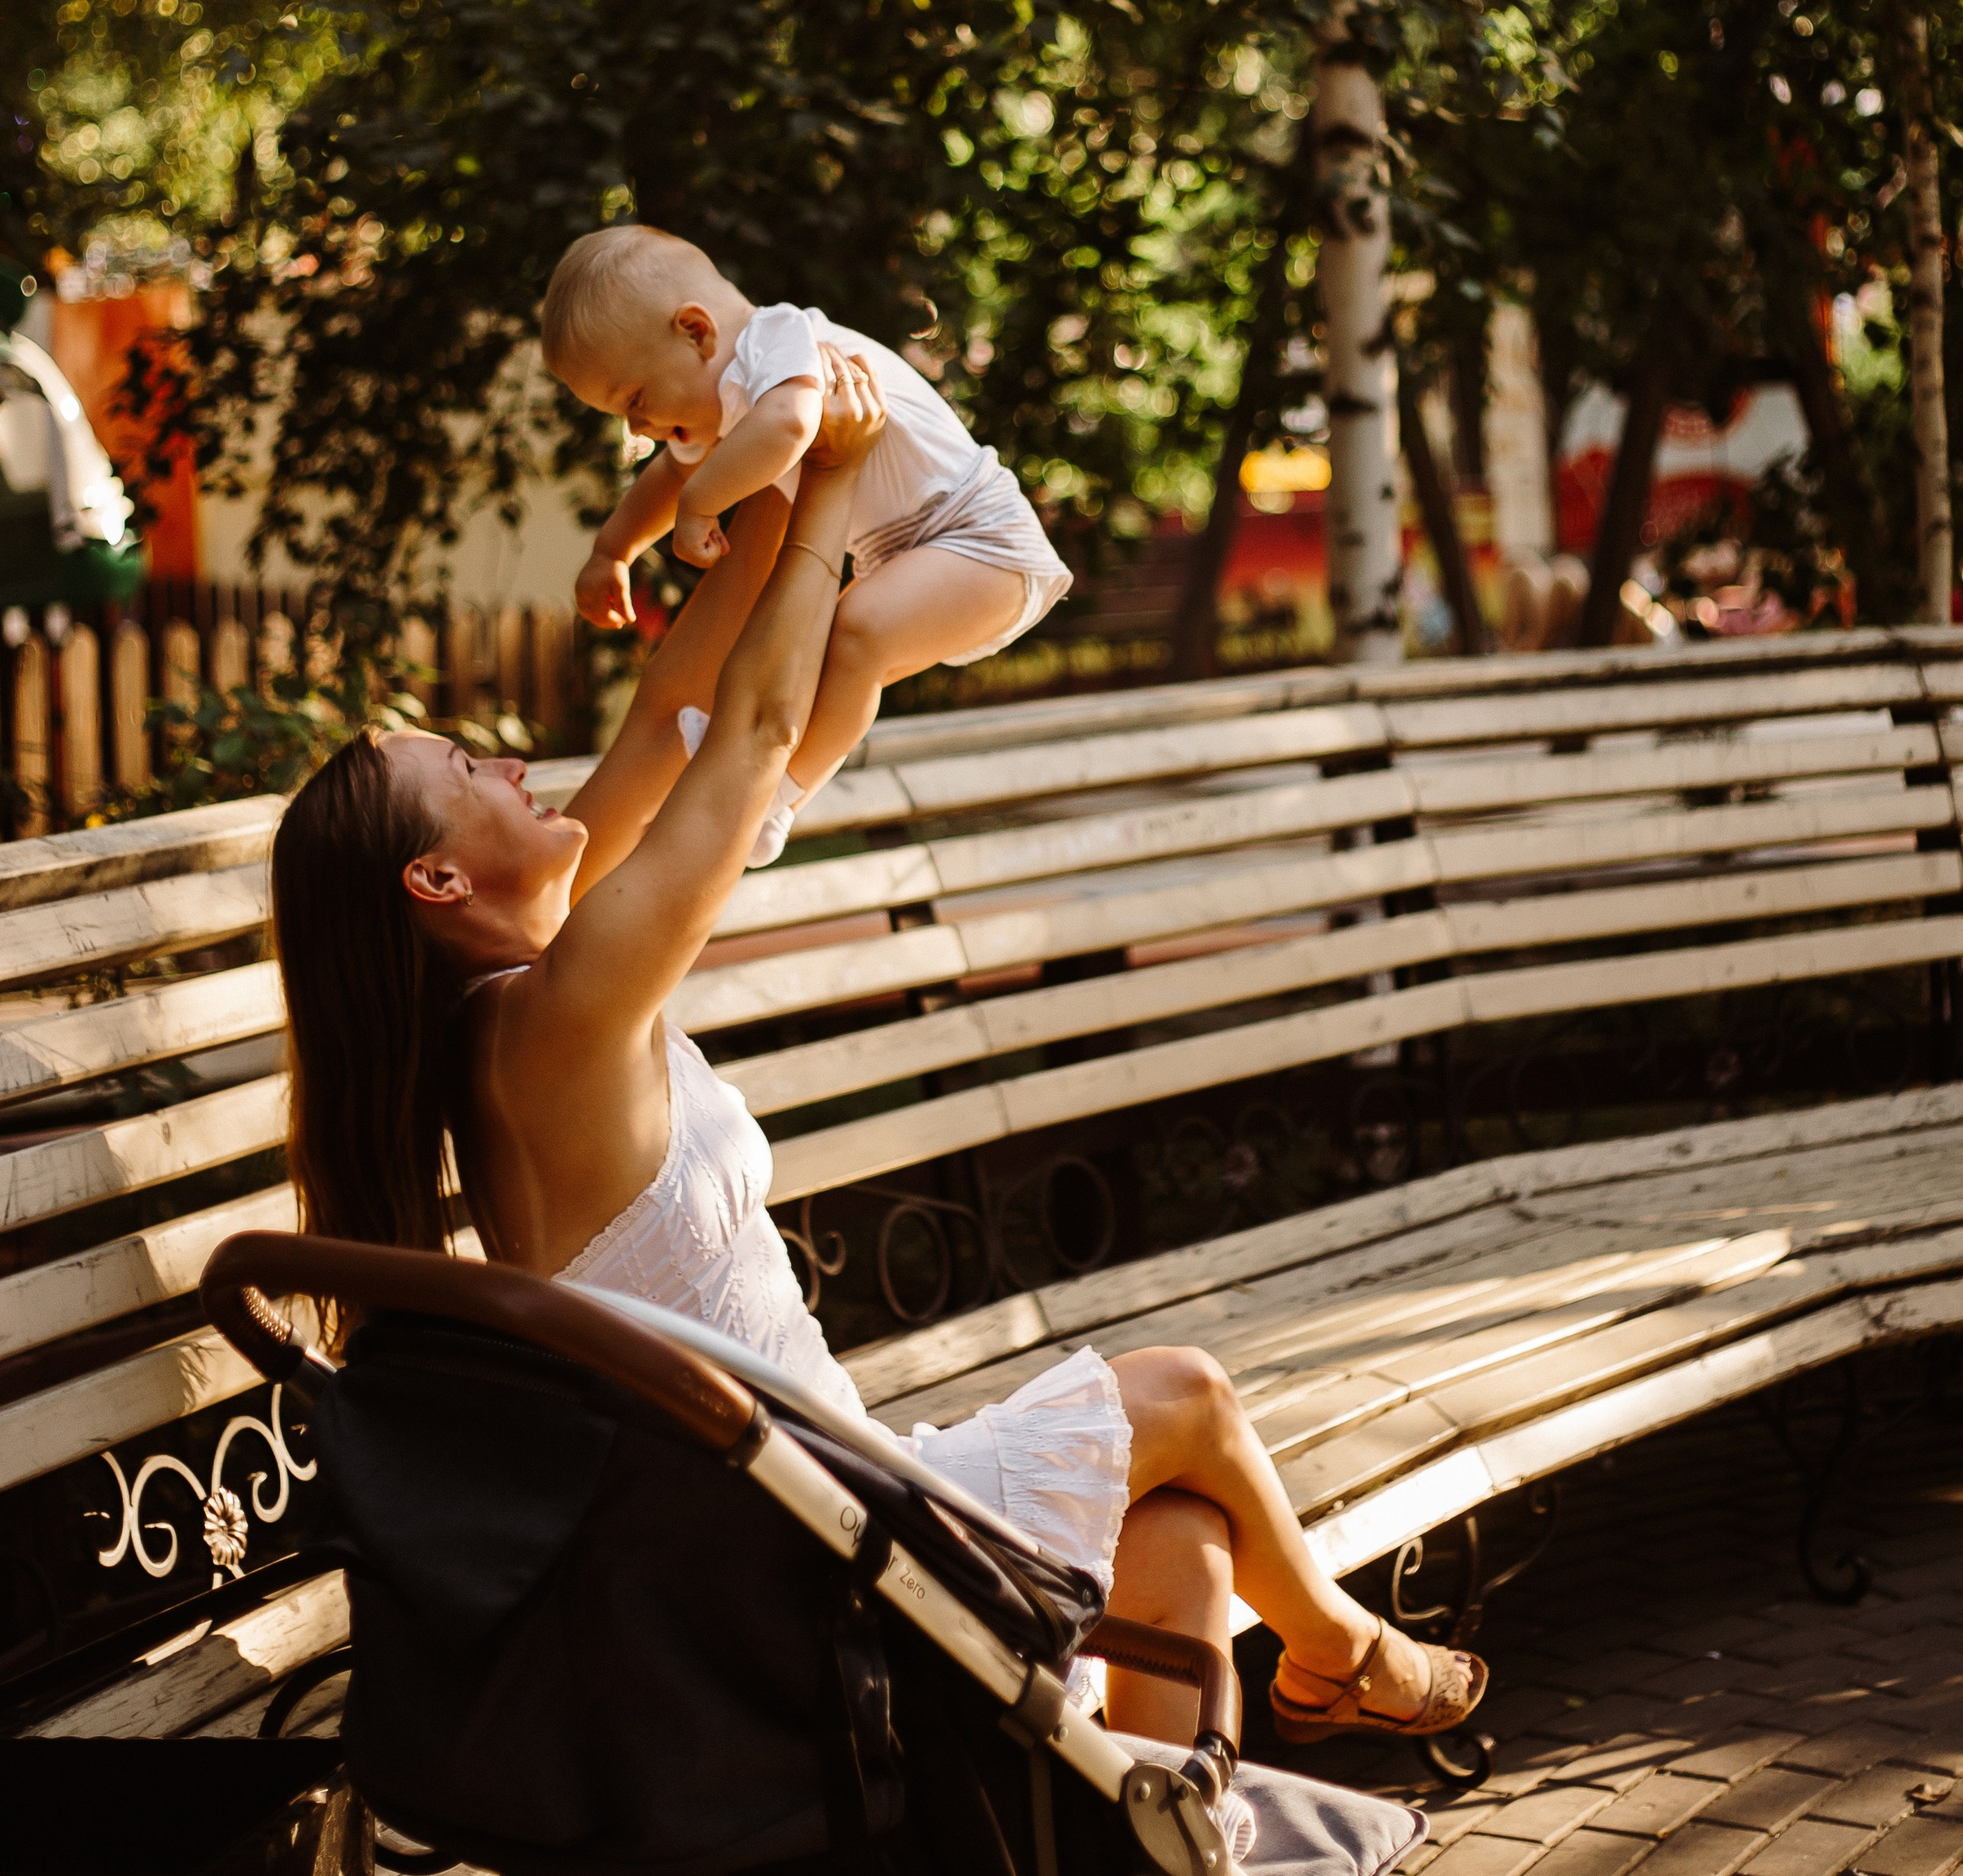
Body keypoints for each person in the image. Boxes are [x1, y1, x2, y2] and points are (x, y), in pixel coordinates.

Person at [271, 351, 1485, 1752]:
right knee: (1189, 1400)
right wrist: (842, 486)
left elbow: (677, 702)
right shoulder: (557, 1025)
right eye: (467, 775)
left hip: (815, 1511)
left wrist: (763, 506)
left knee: (1187, 1543)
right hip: (816, 1555)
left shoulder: (530, 1009)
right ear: (434, 883)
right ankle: (1347, 1649)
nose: (510, 766)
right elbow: (756, 731)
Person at [541, 223, 1072, 864]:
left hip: (980, 537)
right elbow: (672, 471)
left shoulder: (780, 341)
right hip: (916, 551)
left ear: (695, 331)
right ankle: (742, 756)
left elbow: (791, 424)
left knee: (853, 629)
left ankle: (779, 801)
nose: (636, 425)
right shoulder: (730, 398)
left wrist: (701, 503)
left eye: (635, 399)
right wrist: (614, 550)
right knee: (814, 656)